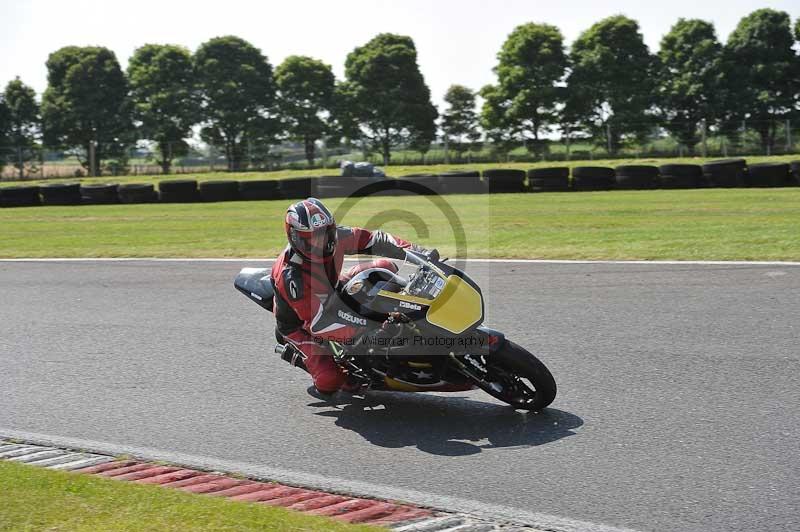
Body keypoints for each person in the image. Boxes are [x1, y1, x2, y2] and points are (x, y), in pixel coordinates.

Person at [271, 198, 427, 394]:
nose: (320, 244)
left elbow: (375, 239)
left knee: (386, 267)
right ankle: (298, 356)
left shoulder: (337, 237)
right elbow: (319, 324)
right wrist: (368, 330)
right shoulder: (291, 277)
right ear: (295, 238)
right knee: (330, 381)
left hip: (332, 289)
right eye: (311, 240)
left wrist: (415, 251)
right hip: (302, 324)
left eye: (324, 235)